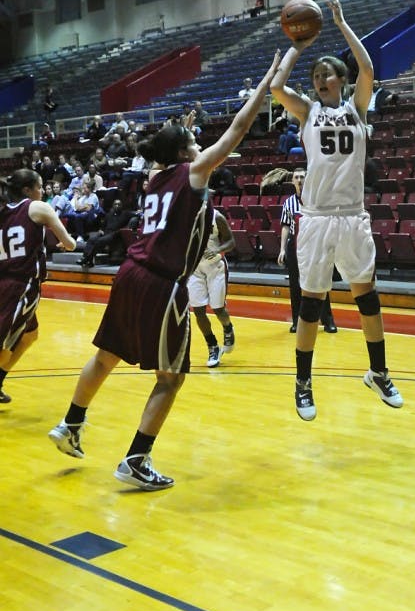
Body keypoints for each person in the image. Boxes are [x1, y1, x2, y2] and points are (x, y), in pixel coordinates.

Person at [48, 51, 281, 490]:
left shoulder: (155, 178)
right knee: (170, 378)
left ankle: (70, 423)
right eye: (195, 141)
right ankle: (136, 459)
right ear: (184, 152)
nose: (201, 145)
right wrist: (269, 78)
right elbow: (238, 130)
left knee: (106, 356)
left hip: (129, 273)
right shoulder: (189, 174)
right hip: (161, 283)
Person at [270, 0, 403, 421]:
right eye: (315, 77)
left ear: (340, 79)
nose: (320, 80)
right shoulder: (307, 112)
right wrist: (297, 48)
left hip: (352, 218)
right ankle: (303, 383)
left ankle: (379, 372)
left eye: (327, 74)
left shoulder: (358, 109)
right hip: (317, 219)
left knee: (367, 298)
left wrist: (341, 23)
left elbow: (367, 66)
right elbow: (275, 88)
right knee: (311, 302)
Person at [0, 168, 76, 404]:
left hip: (4, 281)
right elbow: (70, 243)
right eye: (40, 187)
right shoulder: (37, 207)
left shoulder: (3, 213)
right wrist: (68, 244)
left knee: (30, 335)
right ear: (27, 190)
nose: (42, 191)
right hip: (22, 286)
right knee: (4, 343)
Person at [277, 166, 336, 334]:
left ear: (307, 179)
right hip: (294, 246)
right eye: (296, 177)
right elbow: (285, 227)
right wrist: (282, 249)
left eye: (302, 177)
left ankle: (328, 320)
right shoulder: (288, 202)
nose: (300, 180)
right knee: (295, 285)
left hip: (315, 245)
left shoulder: (316, 199)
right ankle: (297, 321)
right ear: (292, 180)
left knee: (321, 282)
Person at [188, 210, 236, 367]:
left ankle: (228, 327)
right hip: (194, 269)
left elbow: (231, 242)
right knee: (198, 311)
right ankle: (212, 345)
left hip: (215, 266)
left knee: (218, 309)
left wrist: (217, 249)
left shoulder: (217, 217)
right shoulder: (184, 216)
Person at [78, 198, 135, 268]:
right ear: (113, 205)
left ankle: (87, 259)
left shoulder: (125, 214)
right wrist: (101, 230)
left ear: (122, 206)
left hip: (115, 234)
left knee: (99, 241)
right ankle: (86, 258)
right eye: (115, 204)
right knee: (91, 240)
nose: (117, 206)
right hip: (105, 233)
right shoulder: (108, 215)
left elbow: (137, 215)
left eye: (119, 204)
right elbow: (103, 226)